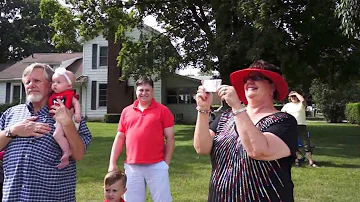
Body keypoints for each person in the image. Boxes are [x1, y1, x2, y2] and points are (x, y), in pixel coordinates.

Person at [194, 60, 298, 202]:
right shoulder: (225, 117)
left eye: (257, 77)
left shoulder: (284, 121)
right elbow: (201, 147)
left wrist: (237, 107)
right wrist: (203, 109)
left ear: (272, 87)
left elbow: (258, 151)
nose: (249, 81)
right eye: (246, 79)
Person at [0, 63, 92, 201]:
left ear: (51, 85)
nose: (31, 85)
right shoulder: (11, 114)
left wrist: (67, 123)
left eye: (37, 81)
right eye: (27, 82)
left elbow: (78, 154)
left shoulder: (68, 113)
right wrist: (13, 131)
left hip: (50, 197)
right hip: (13, 196)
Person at [108, 76, 175, 202]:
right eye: (141, 90)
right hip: (132, 166)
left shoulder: (163, 111)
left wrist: (165, 163)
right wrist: (112, 162)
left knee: (163, 200)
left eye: (147, 90)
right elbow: (120, 137)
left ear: (152, 91)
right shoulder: (126, 111)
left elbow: (170, 138)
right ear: (136, 91)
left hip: (156, 165)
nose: (144, 93)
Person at [48, 67, 81, 169]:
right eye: (53, 82)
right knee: (58, 135)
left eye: (58, 82)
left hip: (67, 118)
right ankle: (65, 155)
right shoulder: (53, 95)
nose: (54, 84)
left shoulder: (69, 95)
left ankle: (66, 152)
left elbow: (76, 104)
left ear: (69, 85)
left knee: (57, 135)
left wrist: (77, 114)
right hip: (58, 119)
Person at [281, 91, 318, 167]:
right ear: (289, 98)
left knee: (305, 144)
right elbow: (282, 114)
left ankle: (310, 161)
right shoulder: (287, 105)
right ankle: (296, 160)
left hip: (301, 126)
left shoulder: (301, 104)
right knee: (293, 144)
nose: (293, 98)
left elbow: (303, 100)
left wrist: (296, 93)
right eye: (292, 97)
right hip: (291, 126)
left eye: (295, 96)